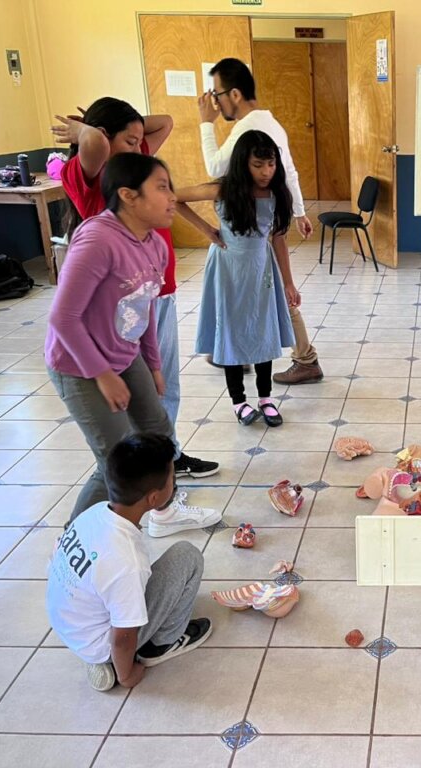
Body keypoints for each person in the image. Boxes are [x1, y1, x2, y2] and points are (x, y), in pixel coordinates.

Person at [45, 152, 222, 536]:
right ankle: (72, 544)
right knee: (115, 459)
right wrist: (103, 374)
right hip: (78, 364)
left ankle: (165, 515)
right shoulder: (97, 239)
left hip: (124, 357)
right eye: (162, 188)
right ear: (128, 195)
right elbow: (63, 318)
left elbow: (144, 312)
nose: (173, 197)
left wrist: (153, 366)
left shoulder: (155, 244)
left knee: (160, 435)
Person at [47, 433, 211, 692]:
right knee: (187, 556)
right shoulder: (127, 560)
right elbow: (123, 637)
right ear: (154, 498)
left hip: (69, 626)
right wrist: (127, 676)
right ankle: (160, 645)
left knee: (122, 586)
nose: (174, 482)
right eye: (172, 477)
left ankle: (103, 655)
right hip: (104, 644)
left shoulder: (94, 513)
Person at [198, 58, 322, 386]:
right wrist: (298, 211)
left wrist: (205, 123)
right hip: (252, 219)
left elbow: (215, 168)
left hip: (255, 222)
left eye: (217, 95)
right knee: (256, 291)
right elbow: (289, 169)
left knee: (275, 290)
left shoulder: (247, 127)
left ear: (234, 94)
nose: (215, 103)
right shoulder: (271, 122)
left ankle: (305, 357)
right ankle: (241, 353)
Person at [178, 130, 298, 426]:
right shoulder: (223, 190)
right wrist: (206, 230)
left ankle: (266, 398)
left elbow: (279, 239)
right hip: (228, 269)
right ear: (243, 163)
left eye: (271, 164)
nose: (266, 172)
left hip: (261, 268)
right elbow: (175, 198)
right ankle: (238, 401)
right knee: (230, 331)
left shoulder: (277, 193)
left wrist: (288, 282)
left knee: (263, 329)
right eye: (258, 165)